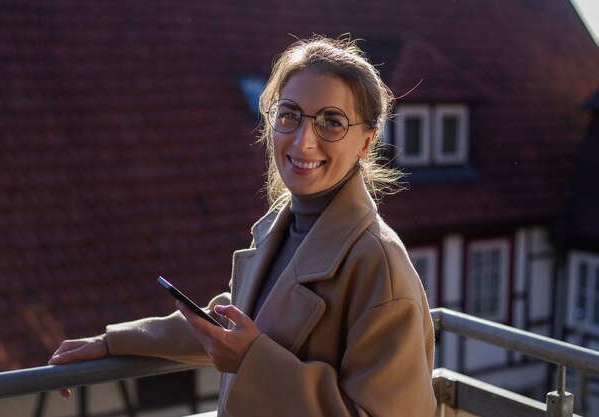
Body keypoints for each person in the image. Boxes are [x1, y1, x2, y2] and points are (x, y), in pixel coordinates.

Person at [49, 35, 437, 417]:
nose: (303, 141)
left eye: (331, 122)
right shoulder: (281, 226)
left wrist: (253, 361)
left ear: (367, 143)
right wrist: (112, 342)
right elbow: (227, 325)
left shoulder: (379, 266)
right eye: (289, 115)